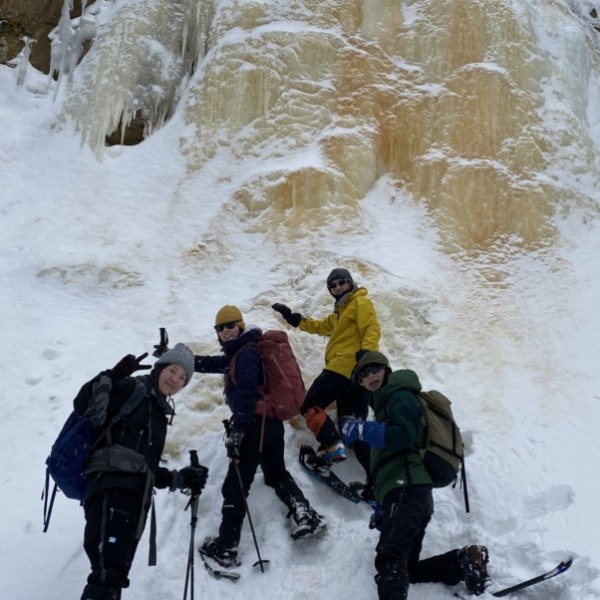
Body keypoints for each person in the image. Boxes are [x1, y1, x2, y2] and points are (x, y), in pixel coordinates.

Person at [340, 351, 489, 599]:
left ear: (386, 369)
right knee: (406, 567)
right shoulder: (385, 409)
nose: (370, 376)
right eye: (363, 374)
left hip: (407, 489)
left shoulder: (400, 396)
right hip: (409, 493)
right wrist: (381, 505)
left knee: (390, 558)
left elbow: (403, 435)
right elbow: (386, 465)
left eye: (374, 369)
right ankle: (463, 561)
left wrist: (361, 429)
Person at [194, 305, 325, 571]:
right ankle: (304, 512)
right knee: (276, 474)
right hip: (272, 426)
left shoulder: (246, 353)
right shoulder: (243, 351)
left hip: (253, 427)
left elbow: (246, 393)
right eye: (220, 328)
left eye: (230, 325)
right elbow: (212, 364)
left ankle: (226, 546)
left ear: (240, 325)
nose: (226, 331)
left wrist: (239, 430)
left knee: (236, 486)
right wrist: (183, 359)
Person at [74, 343, 210, 600]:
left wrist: (180, 477)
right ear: (159, 368)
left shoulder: (157, 411)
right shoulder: (131, 389)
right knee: (105, 577)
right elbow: (82, 405)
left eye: (183, 377)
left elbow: (143, 468)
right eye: (172, 370)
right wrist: (113, 376)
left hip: (132, 499)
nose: (176, 380)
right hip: (111, 491)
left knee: (112, 579)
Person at [272, 267, 381, 477]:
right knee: (352, 429)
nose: (338, 287)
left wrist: (367, 357)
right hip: (357, 379)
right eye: (333, 285)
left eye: (342, 282)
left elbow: (371, 328)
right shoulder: (339, 314)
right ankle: (376, 482)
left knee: (310, 405)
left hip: (343, 368)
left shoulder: (360, 302)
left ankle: (331, 444)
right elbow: (319, 326)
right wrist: (293, 318)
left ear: (350, 282)